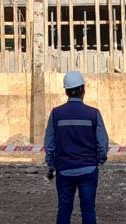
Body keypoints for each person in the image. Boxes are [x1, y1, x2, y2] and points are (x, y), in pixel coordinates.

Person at [44, 71, 109, 224]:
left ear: (66, 91)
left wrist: (51, 164)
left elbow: (49, 144)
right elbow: (102, 144)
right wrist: (99, 161)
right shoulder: (93, 114)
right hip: (88, 169)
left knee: (64, 209)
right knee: (88, 209)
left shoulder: (56, 114)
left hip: (64, 170)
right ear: (83, 90)